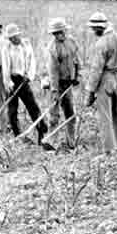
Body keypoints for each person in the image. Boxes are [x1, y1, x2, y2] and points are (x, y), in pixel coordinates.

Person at [0, 24, 54, 150]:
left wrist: (29, 76)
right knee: (12, 110)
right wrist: (8, 83)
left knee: (33, 107)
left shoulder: (26, 45)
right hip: (12, 81)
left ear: (19, 34)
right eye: (11, 38)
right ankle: (17, 134)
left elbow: (31, 62)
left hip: (24, 79)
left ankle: (42, 131)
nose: (14, 39)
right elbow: (6, 67)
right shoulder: (6, 48)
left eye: (15, 37)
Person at [85, 12, 117, 153]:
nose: (93, 31)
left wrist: (90, 92)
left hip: (105, 78)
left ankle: (108, 150)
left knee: (105, 116)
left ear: (99, 27)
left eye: (94, 28)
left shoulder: (102, 43)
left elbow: (96, 69)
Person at [47, 17, 81, 149]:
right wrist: (55, 90)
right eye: (55, 33)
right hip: (57, 83)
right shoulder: (52, 48)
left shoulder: (72, 42)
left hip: (69, 82)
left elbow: (77, 60)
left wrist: (77, 76)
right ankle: (51, 141)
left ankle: (71, 142)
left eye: (60, 32)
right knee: (54, 115)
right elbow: (53, 71)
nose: (59, 35)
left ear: (65, 31)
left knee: (70, 113)